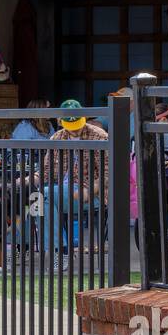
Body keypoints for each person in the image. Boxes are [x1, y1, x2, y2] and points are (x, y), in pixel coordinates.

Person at [40, 99, 108, 256]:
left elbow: (109, 172)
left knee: (41, 196)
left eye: (77, 123)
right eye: (71, 125)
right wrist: (26, 181)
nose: (75, 129)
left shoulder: (98, 136)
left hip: (92, 193)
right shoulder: (57, 137)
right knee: (30, 198)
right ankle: (24, 246)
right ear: (61, 121)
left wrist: (91, 189)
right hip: (61, 192)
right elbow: (45, 171)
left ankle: (58, 250)